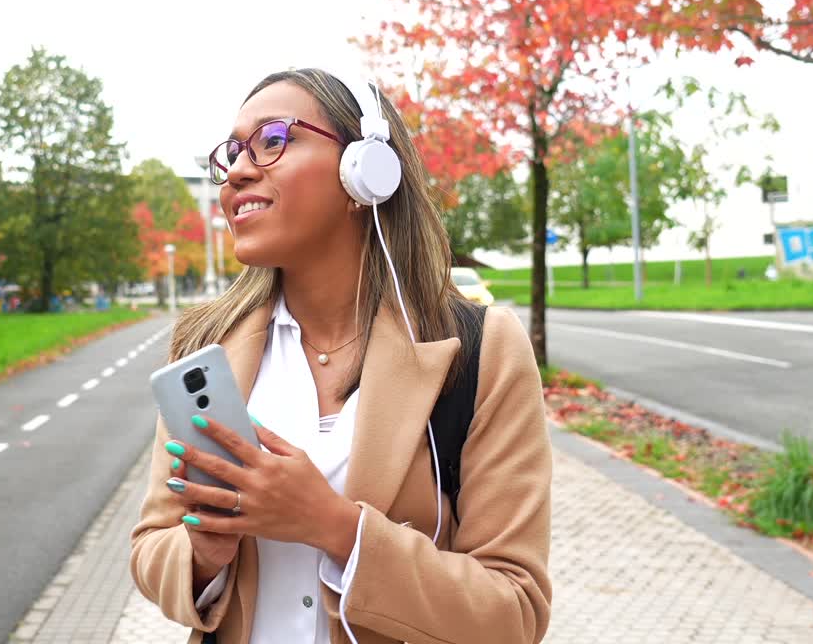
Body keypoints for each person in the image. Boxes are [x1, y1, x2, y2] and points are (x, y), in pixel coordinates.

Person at [130, 68, 551, 644]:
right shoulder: (207, 349)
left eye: (273, 139)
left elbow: (514, 613)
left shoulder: (482, 346)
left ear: (365, 173)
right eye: (232, 153)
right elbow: (152, 546)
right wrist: (201, 557)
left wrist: (335, 527)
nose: (239, 172)